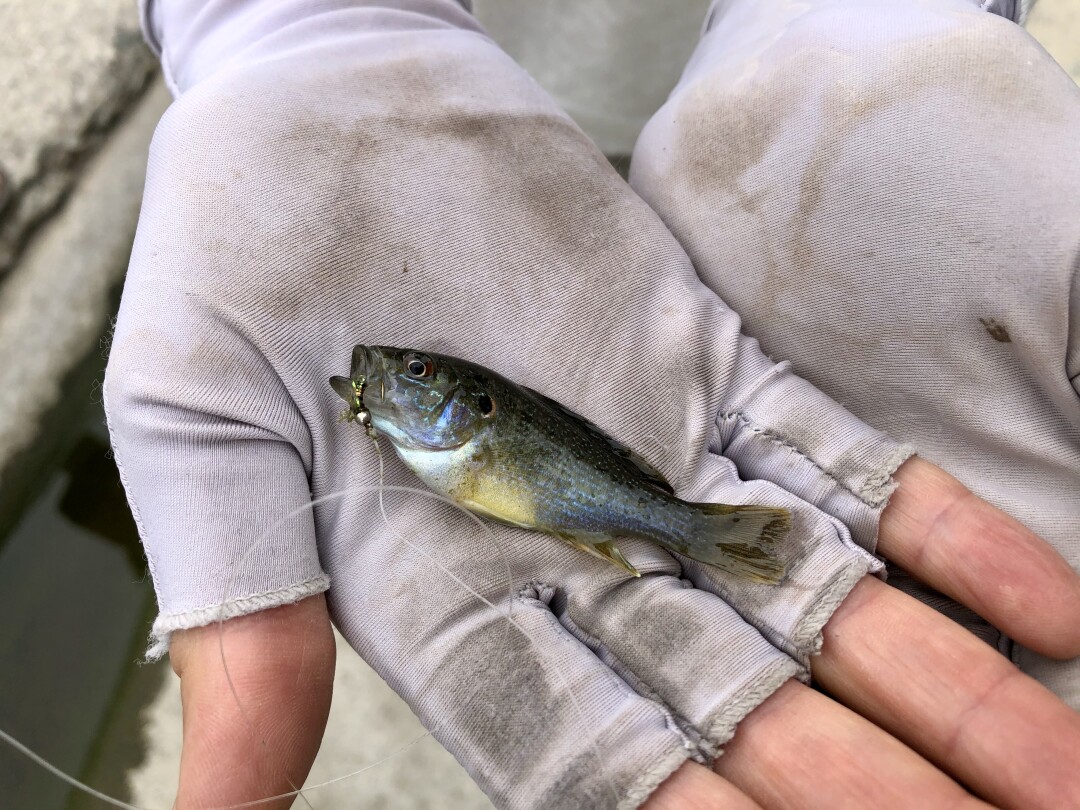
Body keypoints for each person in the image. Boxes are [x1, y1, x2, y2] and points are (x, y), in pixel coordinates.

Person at [105, 0, 1080, 807]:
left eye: (419, 380)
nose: (399, 383)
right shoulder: (439, 442)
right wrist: (302, 23)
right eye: (410, 381)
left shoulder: (466, 450)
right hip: (508, 85)